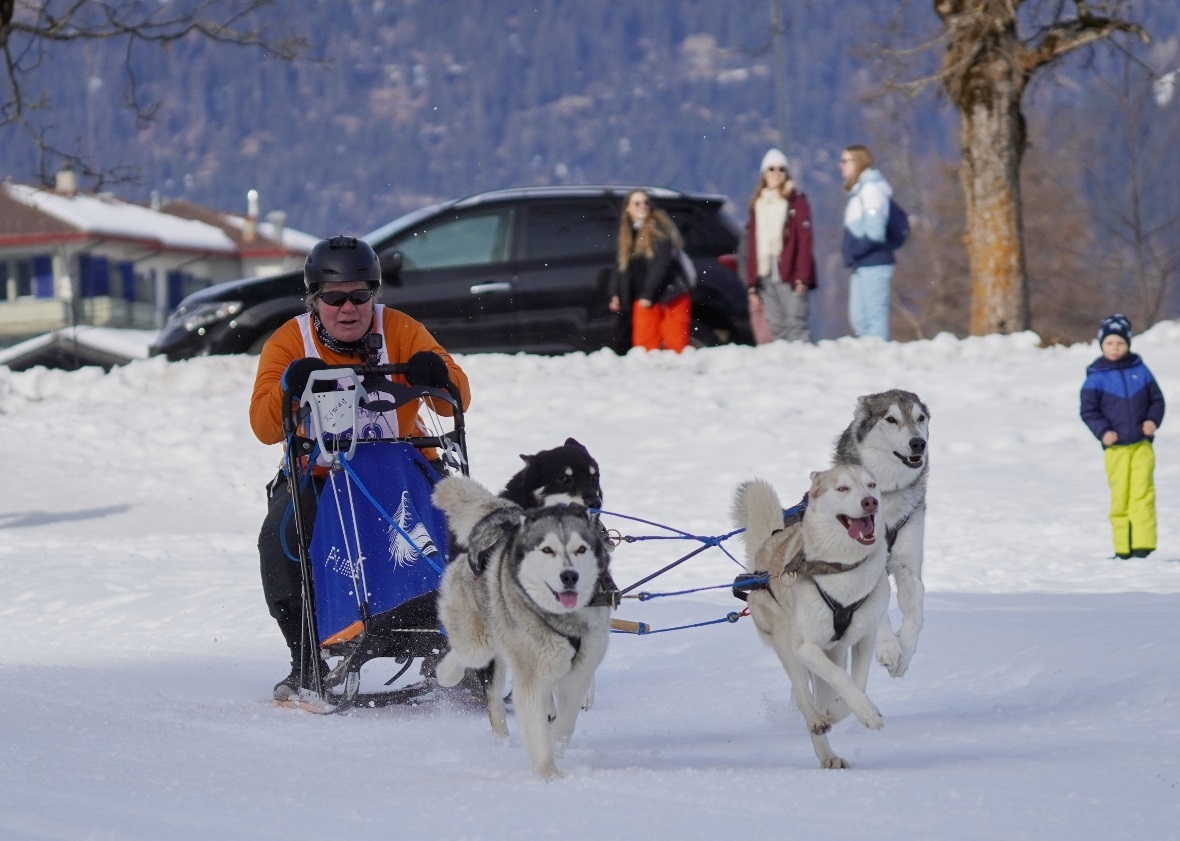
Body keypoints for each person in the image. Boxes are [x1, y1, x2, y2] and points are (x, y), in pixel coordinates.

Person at [249, 235, 471, 701]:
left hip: (402, 466)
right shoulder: (291, 340)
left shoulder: (403, 330)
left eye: (359, 296)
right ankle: (306, 660)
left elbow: (458, 399)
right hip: (322, 473)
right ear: (315, 301)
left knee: (470, 533)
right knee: (280, 541)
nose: (347, 308)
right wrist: (290, 385)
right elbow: (263, 426)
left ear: (375, 294)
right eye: (333, 299)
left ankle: (463, 649)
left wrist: (437, 375)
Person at [1080, 314, 1165, 560]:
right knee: (1121, 496)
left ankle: (1143, 546)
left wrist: (1152, 421)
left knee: (1143, 493)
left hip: (1141, 445)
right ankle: (1122, 548)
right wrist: (1103, 432)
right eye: (1109, 343)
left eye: (1120, 343)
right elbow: (1089, 411)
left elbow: (1156, 401)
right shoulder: (1096, 376)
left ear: (1128, 344)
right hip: (1116, 449)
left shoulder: (1141, 371)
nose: (1115, 348)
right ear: (1101, 345)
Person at [743, 148, 817, 342]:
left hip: (790, 271)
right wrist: (751, 283)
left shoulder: (796, 201)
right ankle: (784, 367)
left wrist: (803, 276)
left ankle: (803, 364)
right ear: (764, 174)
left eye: (781, 169)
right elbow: (752, 245)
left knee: (796, 322)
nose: (776, 174)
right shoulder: (758, 204)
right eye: (772, 169)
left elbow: (804, 241)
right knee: (776, 325)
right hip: (765, 273)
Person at [608, 189, 692, 352]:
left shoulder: (658, 230)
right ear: (628, 208)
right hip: (645, 299)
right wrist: (615, 293)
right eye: (637, 203)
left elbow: (663, 264)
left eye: (646, 202)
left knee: (676, 347)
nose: (643, 206)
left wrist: (648, 294)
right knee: (645, 347)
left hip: (670, 297)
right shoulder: (628, 234)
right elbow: (621, 267)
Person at [840, 144, 895, 340]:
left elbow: (876, 230)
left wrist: (856, 250)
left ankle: (880, 358)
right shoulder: (860, 190)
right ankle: (870, 357)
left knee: (873, 318)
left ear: (859, 162)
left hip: (875, 263)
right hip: (862, 264)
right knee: (859, 319)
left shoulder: (871, 189)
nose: (841, 166)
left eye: (845, 161)